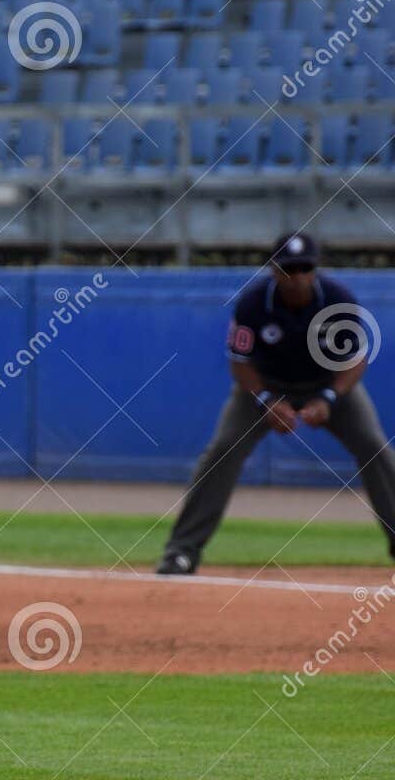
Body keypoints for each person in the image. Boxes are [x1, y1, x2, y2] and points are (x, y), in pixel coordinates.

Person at [158, 232, 395, 574]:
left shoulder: (337, 300)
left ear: (314, 270)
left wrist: (328, 399)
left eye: (304, 269)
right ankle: (181, 552)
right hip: (266, 386)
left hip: (328, 386)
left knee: (374, 447)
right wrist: (267, 401)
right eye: (288, 269)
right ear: (273, 270)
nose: (296, 278)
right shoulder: (253, 304)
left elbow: (355, 360)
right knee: (223, 449)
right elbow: (240, 361)